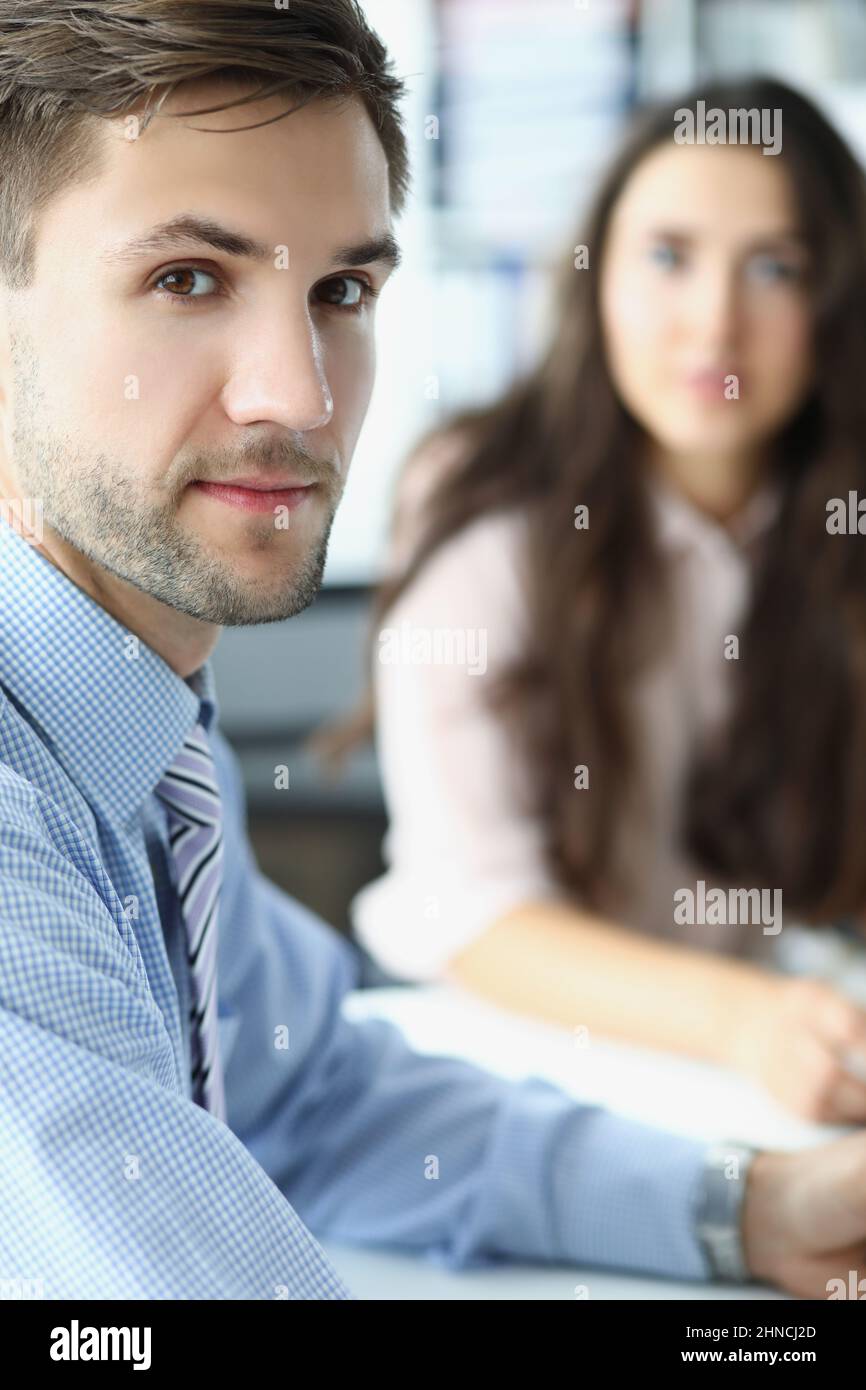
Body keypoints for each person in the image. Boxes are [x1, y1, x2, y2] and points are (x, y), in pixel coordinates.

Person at [0, 2, 864, 1303]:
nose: (298, 397)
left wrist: (744, 1202)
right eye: (189, 278)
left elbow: (315, 1095)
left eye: (341, 290)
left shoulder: (145, 728)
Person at [347, 76, 866, 1128]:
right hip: (522, 1078)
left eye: (773, 267)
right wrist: (744, 1020)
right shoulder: (480, 502)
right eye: (667, 257)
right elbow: (469, 908)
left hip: (769, 1072)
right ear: (593, 278)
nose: (713, 324)